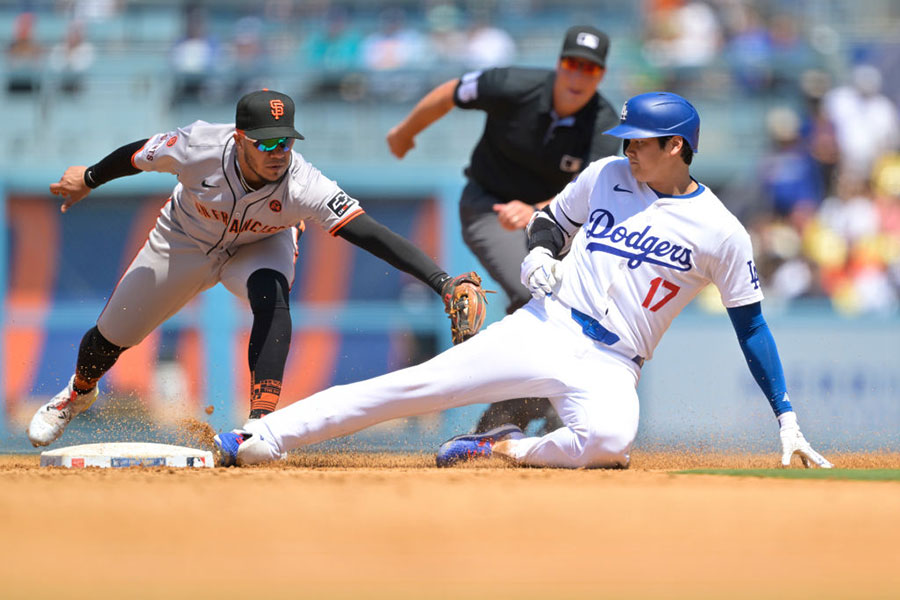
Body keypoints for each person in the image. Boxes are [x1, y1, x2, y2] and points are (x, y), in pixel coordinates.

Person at [214, 91, 833, 471]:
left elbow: (751, 327)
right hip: (546, 326)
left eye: (639, 141)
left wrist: (787, 419)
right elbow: (548, 223)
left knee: (610, 441)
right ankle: (264, 436)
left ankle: (500, 449)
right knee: (413, 386)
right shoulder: (607, 175)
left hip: (614, 363)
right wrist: (538, 255)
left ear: (676, 146)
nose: (627, 149)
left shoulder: (720, 230)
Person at [27, 89, 469, 448]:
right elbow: (136, 155)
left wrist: (442, 281)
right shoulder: (197, 145)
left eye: (287, 140)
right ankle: (77, 394)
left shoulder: (304, 183)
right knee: (110, 337)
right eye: (268, 142)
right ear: (239, 138)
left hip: (261, 245)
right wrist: (87, 179)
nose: (280, 151)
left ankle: (260, 423)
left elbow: (370, 233)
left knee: (272, 295)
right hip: (184, 240)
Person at [386, 25, 621, 436]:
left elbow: (588, 191)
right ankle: (524, 411)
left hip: (557, 222)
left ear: (600, 75)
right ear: (559, 63)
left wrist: (534, 210)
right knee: (537, 292)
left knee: (585, 305)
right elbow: (452, 92)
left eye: (591, 69)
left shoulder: (602, 120)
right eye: (572, 64)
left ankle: (520, 413)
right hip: (486, 206)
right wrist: (405, 132)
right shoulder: (513, 84)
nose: (579, 75)